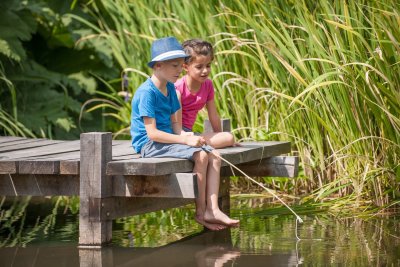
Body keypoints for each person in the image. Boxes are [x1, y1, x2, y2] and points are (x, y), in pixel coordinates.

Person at [130, 37, 239, 230]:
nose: (179, 70)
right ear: (157, 66)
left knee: (214, 154)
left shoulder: (170, 88)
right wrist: (183, 139)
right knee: (202, 155)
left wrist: (186, 136)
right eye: (175, 66)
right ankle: (201, 210)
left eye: (181, 65)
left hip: (168, 139)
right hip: (149, 144)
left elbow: (175, 125)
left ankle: (211, 209)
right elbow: (153, 134)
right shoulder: (147, 93)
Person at [175, 39, 237, 148]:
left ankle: (196, 143)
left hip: (190, 133)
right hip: (176, 133)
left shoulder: (208, 85)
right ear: (185, 67)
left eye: (208, 66)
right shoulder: (178, 88)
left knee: (228, 137)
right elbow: (175, 124)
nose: (205, 71)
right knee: (227, 138)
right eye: (199, 67)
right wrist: (183, 137)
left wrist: (220, 135)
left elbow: (213, 114)